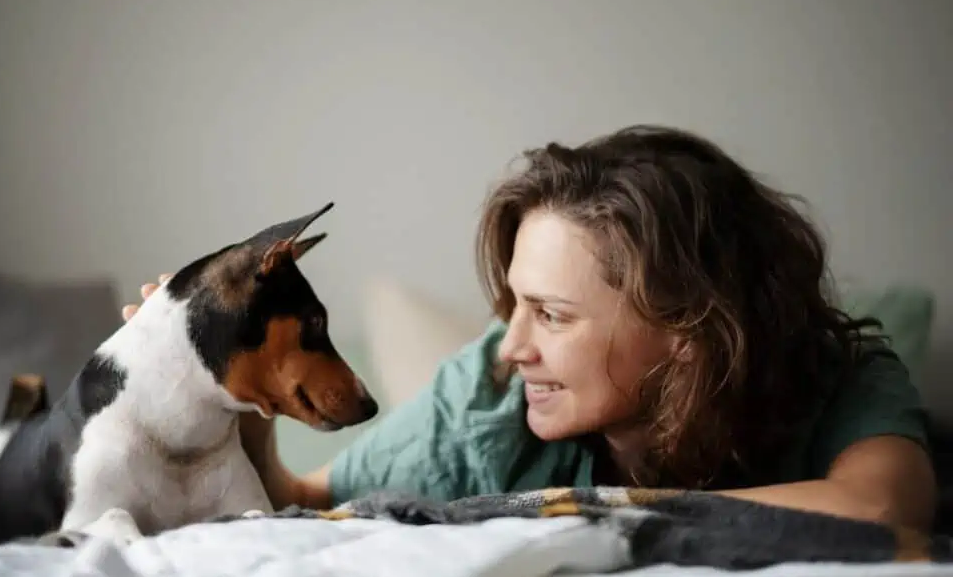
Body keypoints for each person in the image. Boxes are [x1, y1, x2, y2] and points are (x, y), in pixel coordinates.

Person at [123, 125, 937, 532]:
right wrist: (230, 389)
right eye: (514, 303)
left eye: (551, 313)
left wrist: (585, 517)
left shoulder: (839, 372)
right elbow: (298, 500)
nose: (512, 344)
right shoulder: (488, 393)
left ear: (689, 326)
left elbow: (880, 507)